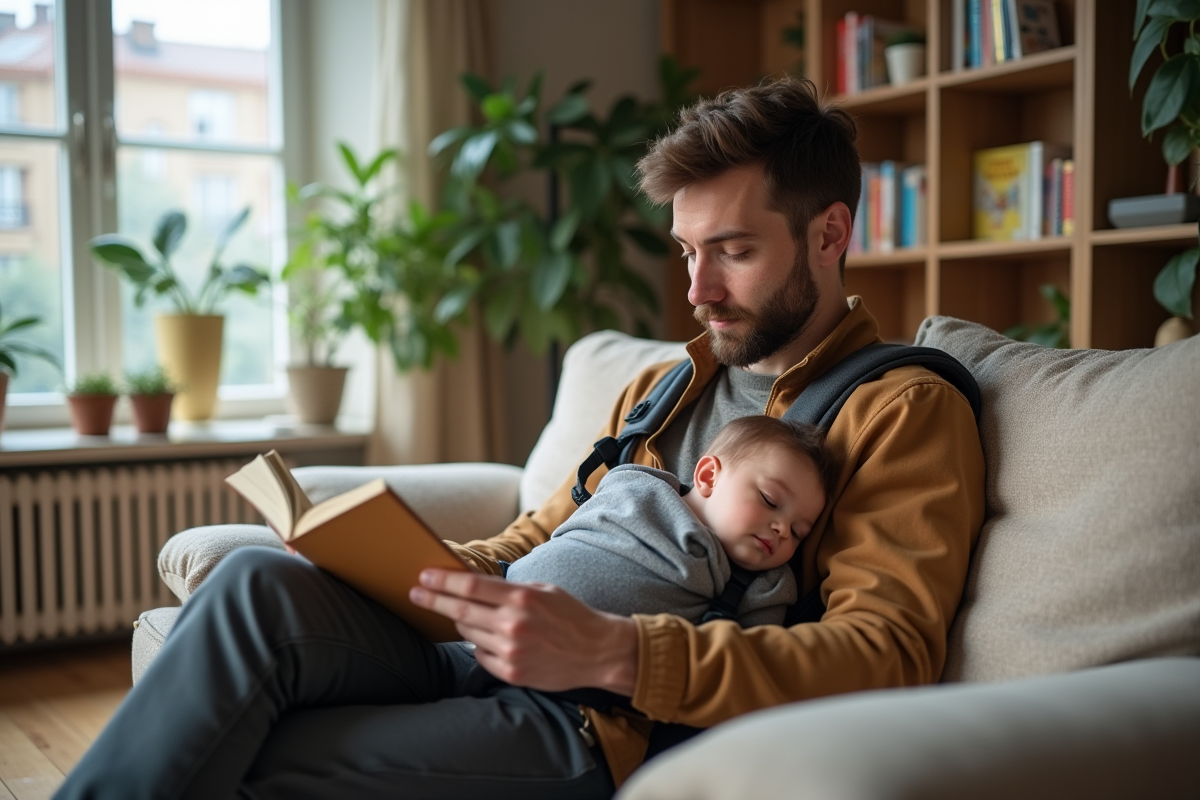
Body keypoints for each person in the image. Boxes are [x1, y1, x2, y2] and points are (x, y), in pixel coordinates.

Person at [54, 77, 985, 800]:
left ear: (830, 234)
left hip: (595, 719)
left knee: (249, 747)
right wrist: (392, 566)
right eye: (687, 252)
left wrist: (618, 654)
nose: (696, 291)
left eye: (733, 251)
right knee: (259, 580)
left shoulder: (896, 407)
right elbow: (542, 532)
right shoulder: (664, 386)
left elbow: (885, 651)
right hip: (479, 651)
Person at [506, 415, 835, 628]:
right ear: (708, 476)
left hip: (564, 696)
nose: (782, 530)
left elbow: (750, 660)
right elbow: (552, 530)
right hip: (492, 617)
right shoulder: (633, 486)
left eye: (797, 532)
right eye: (770, 500)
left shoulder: (764, 585)